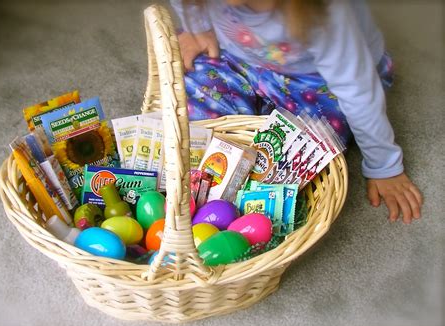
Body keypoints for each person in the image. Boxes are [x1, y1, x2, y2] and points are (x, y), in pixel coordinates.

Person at [170, 0, 423, 224]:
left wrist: (384, 166)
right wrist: (199, 28)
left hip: (318, 80)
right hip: (241, 59)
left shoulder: (324, 11)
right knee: (187, 90)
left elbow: (356, 90)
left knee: (309, 151)